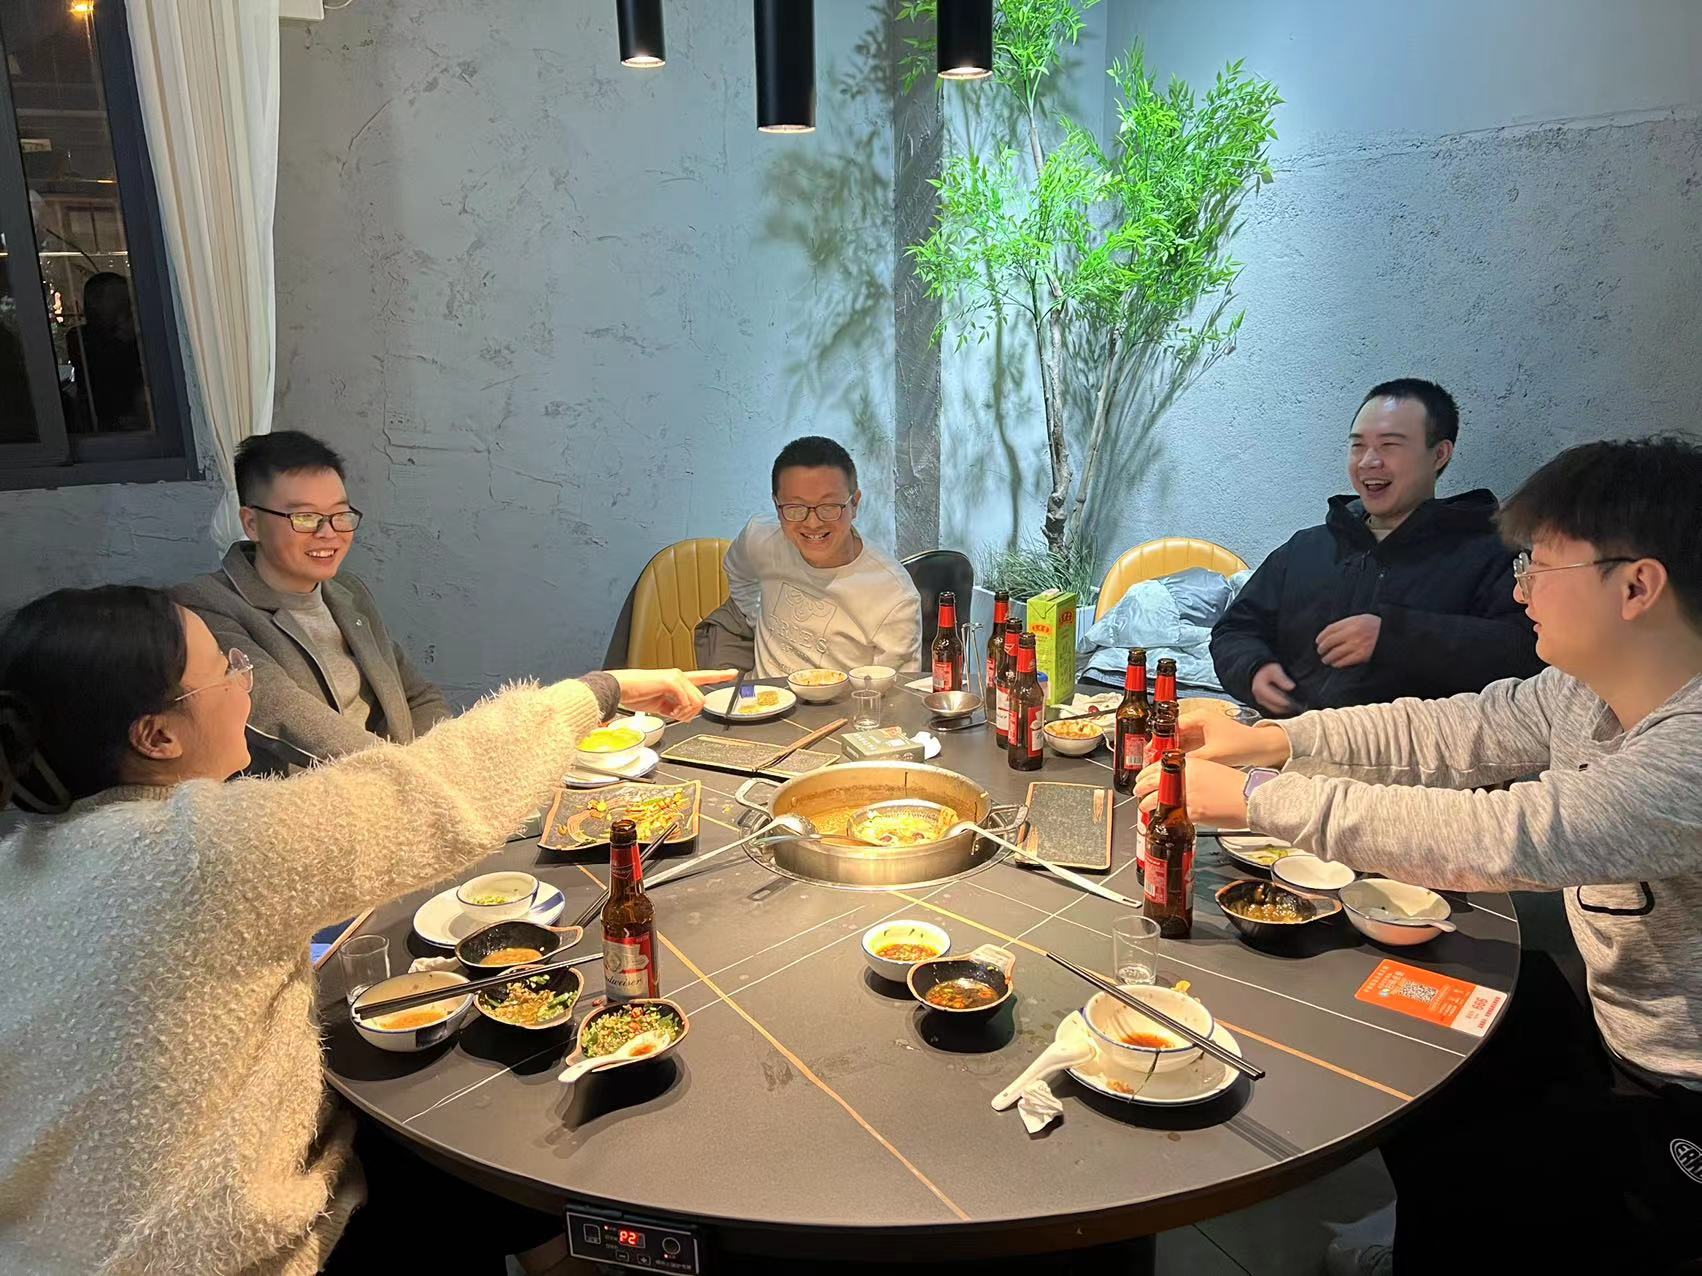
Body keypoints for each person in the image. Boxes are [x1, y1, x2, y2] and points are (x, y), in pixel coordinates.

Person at [0, 582, 729, 1274]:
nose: (245, 679)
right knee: (466, 1151)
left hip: (38, 1249)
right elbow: (436, 790)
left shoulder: (19, 862)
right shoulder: (200, 851)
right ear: (158, 735)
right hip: (219, 1254)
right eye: (224, 667)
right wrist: (601, 690)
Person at [1142, 436, 1702, 1273]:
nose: (1519, 591)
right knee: (1412, 1064)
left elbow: (1504, 835)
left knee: (1487, 1165)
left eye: (1539, 567)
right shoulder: (1583, 690)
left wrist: (1256, 798)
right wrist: (1273, 742)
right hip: (1605, 1026)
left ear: (1636, 586)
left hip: (1678, 1094)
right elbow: (1448, 730)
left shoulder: (1689, 751)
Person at [1210, 379, 1541, 716]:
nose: (1368, 461)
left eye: (1389, 445)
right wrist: (1253, 669)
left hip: (1417, 745)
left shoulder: (1490, 553)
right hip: (1285, 738)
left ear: (1439, 454)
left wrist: (1397, 637)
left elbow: (1528, 652)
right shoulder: (1305, 548)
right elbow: (1235, 629)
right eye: (1358, 446)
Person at [175, 431, 449, 773]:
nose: (328, 533)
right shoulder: (204, 605)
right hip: (310, 798)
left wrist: (435, 764)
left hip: (397, 784)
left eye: (340, 514)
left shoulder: (349, 593)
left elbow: (419, 696)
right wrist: (399, 772)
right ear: (252, 523)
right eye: (305, 518)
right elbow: (277, 706)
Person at [720, 435, 922, 677]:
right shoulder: (761, 538)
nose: (813, 523)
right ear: (777, 506)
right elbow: (738, 573)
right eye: (795, 508)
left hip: (844, 702)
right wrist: (757, 618)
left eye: (829, 507)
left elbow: (896, 689)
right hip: (761, 697)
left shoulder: (893, 595)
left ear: (854, 505)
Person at [65, 271, 147, 431]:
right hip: (103, 424)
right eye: (117, 299)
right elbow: (102, 367)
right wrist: (125, 339)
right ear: (95, 303)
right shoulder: (81, 338)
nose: (124, 306)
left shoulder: (136, 334)